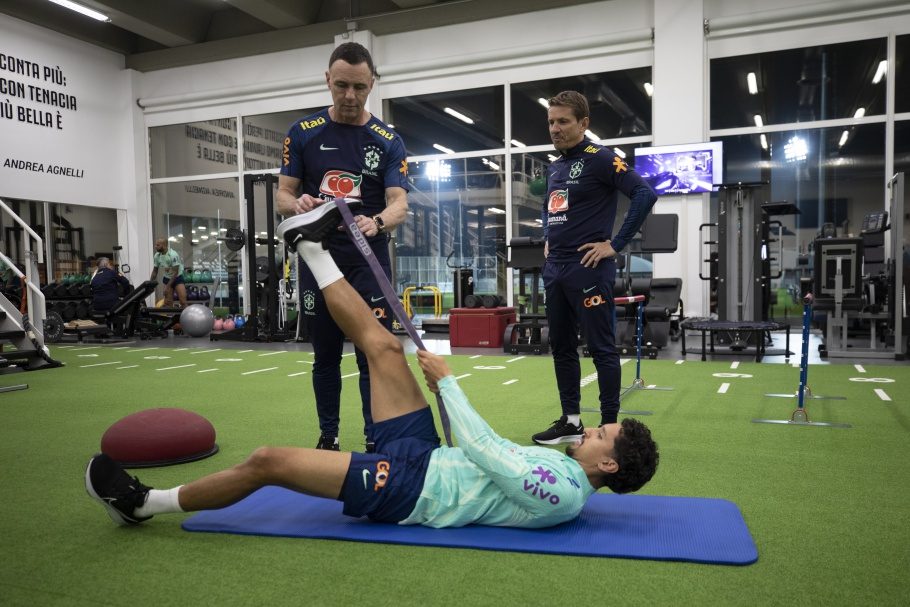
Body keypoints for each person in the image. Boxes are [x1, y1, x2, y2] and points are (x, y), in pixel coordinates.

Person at [84, 202, 659, 529]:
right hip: (428, 456)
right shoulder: (563, 468)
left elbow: (486, 450)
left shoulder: (564, 494)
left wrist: (449, 385)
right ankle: (309, 247)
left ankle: (144, 504)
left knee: (267, 461)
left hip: (409, 491)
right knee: (383, 347)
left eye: (599, 435)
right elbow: (477, 456)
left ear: (607, 464)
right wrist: (443, 399)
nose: (588, 430)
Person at [276, 41, 409, 452]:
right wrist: (297, 203)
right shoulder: (303, 133)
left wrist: (378, 221)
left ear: (372, 84)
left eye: (359, 87)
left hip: (368, 261)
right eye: (341, 86)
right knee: (326, 356)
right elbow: (283, 194)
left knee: (373, 354)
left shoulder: (387, 140)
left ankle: (375, 439)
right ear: (327, 81)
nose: (350, 96)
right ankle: (328, 437)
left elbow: (399, 202)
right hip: (319, 259)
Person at [531, 91, 658, 446]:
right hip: (555, 269)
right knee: (561, 347)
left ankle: (609, 428)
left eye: (563, 121)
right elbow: (549, 207)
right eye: (551, 122)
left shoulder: (601, 158)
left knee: (601, 348)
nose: (555, 129)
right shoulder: (555, 167)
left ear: (584, 123)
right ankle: (571, 422)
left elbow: (644, 194)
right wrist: (547, 235)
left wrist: (614, 244)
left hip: (589, 269)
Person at [150, 238, 187, 308]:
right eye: (156, 245)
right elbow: (155, 271)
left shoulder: (173, 255)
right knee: (168, 302)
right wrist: (150, 283)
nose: (155, 246)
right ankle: (170, 315)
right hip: (167, 278)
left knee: (183, 301)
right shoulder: (157, 256)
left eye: (158, 245)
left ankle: (188, 315)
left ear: (164, 246)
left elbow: (175, 272)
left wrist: (167, 286)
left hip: (177, 278)